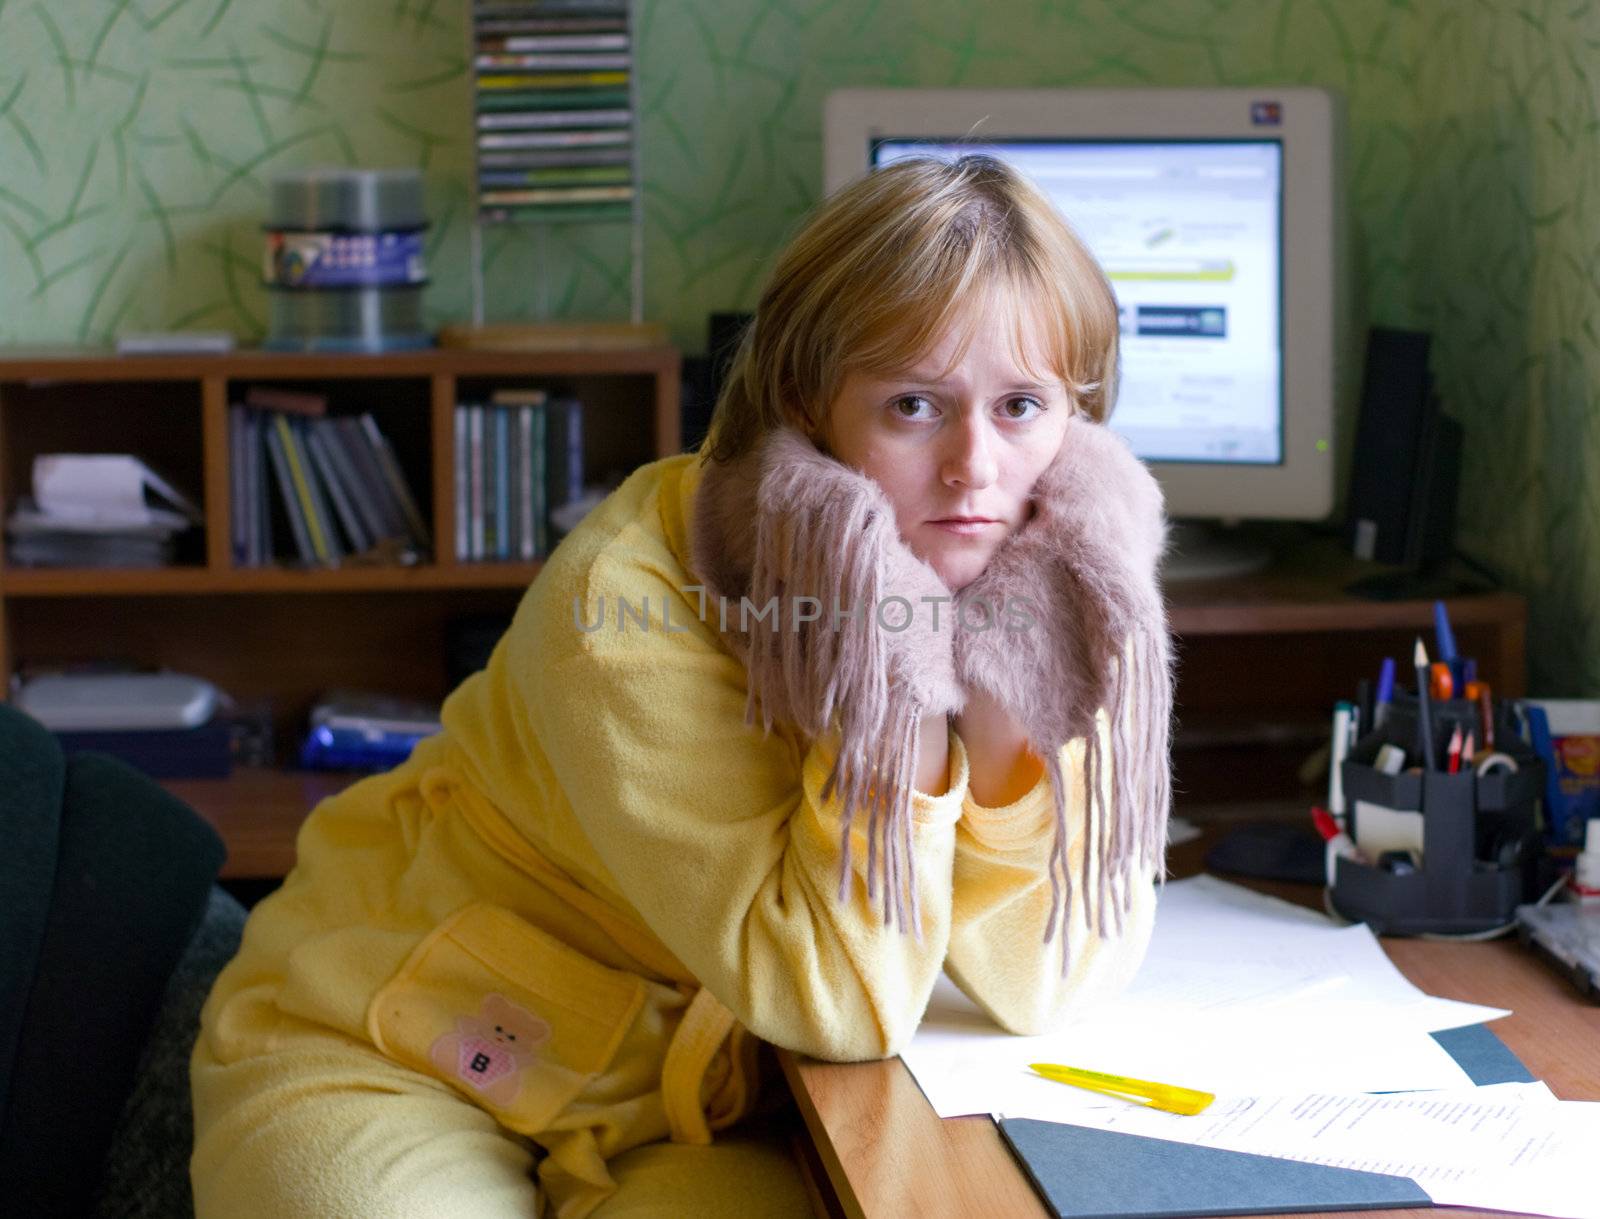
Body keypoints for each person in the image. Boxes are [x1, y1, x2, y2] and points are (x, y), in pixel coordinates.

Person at [189, 153, 1169, 1219]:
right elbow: (836, 1001)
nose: (975, 467)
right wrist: (903, 709)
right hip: (397, 1044)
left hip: (701, 1096)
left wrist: (1003, 730)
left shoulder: (1057, 573)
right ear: (807, 402)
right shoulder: (624, 598)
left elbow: (1049, 982)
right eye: (913, 405)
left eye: (1023, 404)